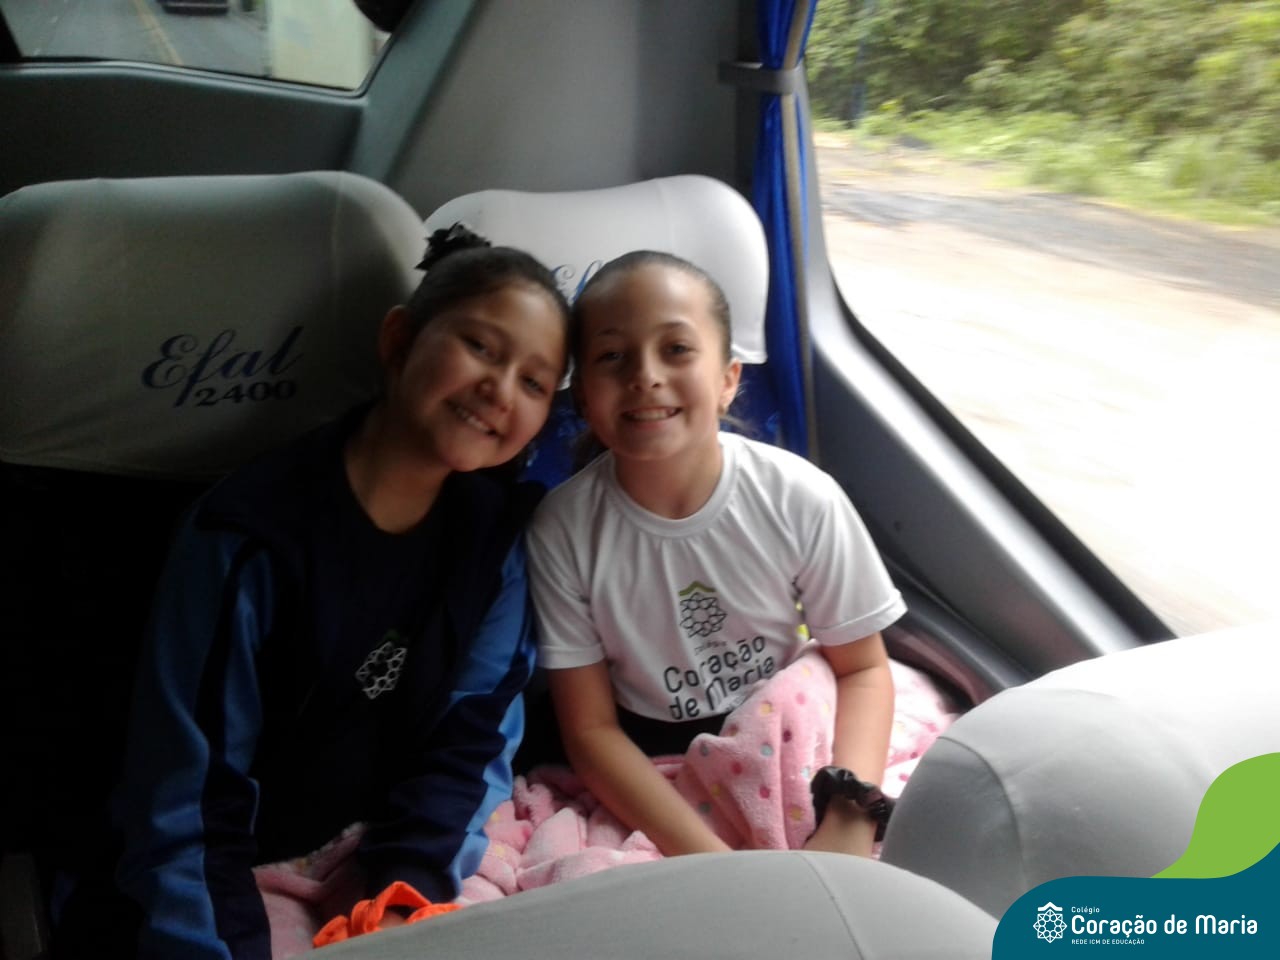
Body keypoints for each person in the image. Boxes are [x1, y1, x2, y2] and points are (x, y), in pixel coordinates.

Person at [98, 227, 571, 959]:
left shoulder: (496, 541)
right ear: (399, 340)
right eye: (480, 347)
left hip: (394, 847)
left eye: (534, 383)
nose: (500, 388)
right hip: (238, 867)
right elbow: (186, 795)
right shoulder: (250, 538)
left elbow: (472, 739)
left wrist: (403, 890)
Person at [525, 250, 905, 860]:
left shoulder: (799, 496)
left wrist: (851, 815)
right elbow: (591, 730)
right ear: (584, 399)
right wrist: (709, 861)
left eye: (676, 349)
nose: (645, 375)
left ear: (728, 379)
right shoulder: (562, 531)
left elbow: (861, 668)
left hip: (787, 727)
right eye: (612, 356)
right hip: (649, 761)